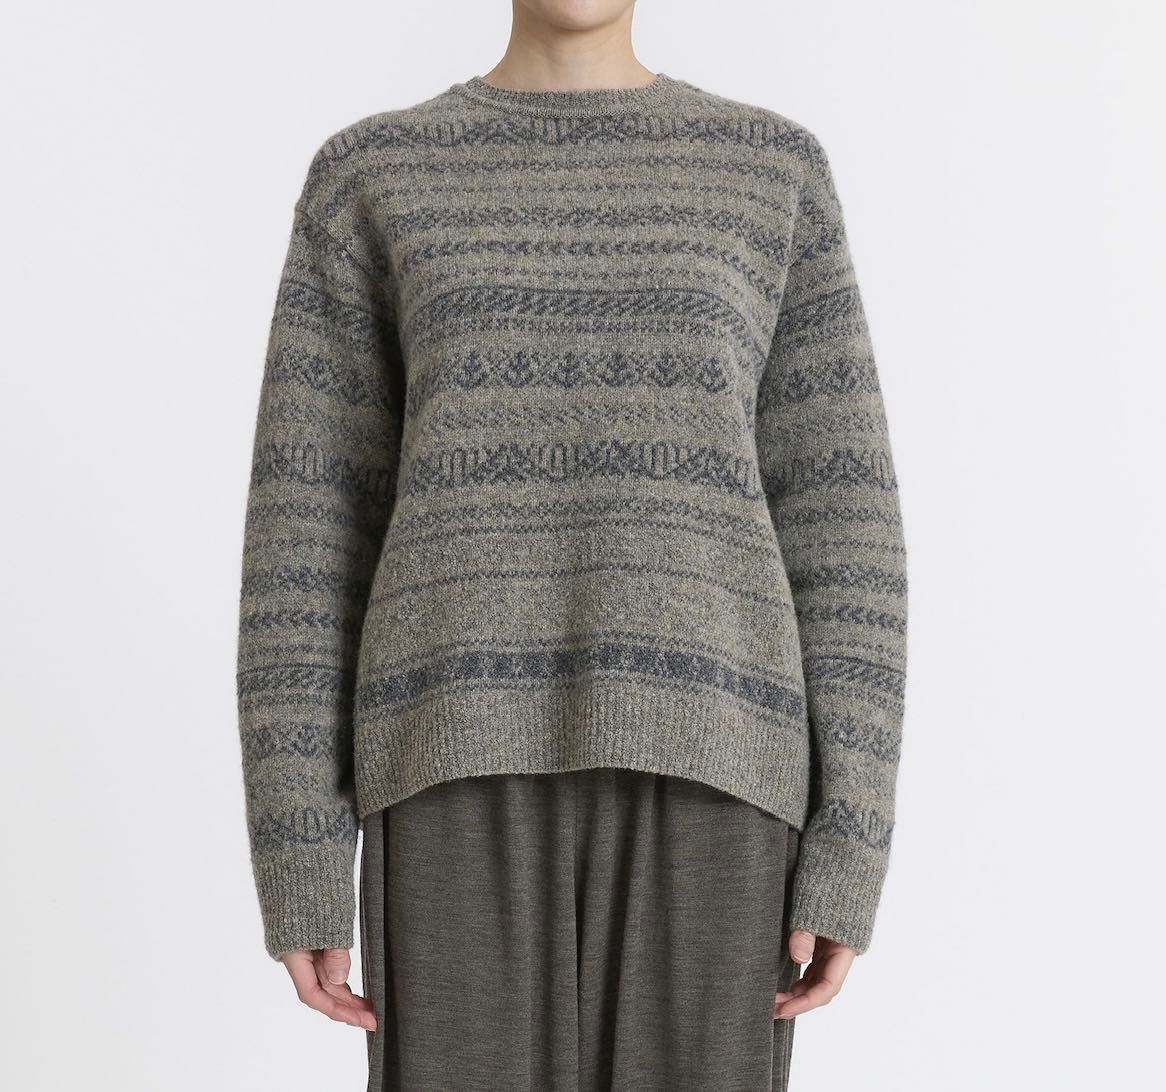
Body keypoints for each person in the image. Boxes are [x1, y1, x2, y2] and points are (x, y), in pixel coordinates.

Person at [235, 1, 909, 1088]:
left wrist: (850, 843)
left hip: (719, 774)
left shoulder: (769, 172)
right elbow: (306, 534)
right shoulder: (371, 176)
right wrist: (300, 851)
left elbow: (843, 525)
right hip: (450, 768)